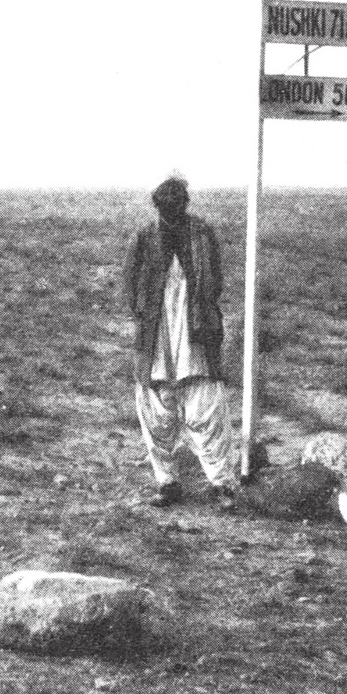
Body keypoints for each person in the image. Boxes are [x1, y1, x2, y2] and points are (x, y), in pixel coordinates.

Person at [124, 175, 238, 510]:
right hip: (155, 336)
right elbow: (130, 283)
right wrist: (145, 315)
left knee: (208, 408)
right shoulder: (144, 237)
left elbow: (214, 280)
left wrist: (199, 309)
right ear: (158, 207)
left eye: (177, 206)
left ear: (185, 205)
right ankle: (167, 482)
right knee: (157, 410)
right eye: (166, 208)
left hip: (197, 333)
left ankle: (222, 485)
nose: (171, 213)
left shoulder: (202, 234)